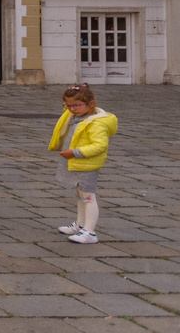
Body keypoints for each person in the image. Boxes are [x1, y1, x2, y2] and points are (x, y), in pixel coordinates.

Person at [49, 83, 118, 245]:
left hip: (86, 163)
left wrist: (74, 152)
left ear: (91, 104)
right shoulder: (76, 116)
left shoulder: (96, 123)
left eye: (76, 105)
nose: (71, 109)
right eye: (68, 105)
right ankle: (80, 224)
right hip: (76, 163)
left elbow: (100, 146)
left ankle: (90, 232)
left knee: (88, 197)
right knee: (80, 195)